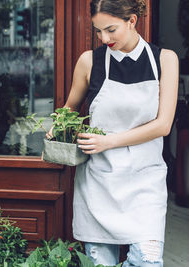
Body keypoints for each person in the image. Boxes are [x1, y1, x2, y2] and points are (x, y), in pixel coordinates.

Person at [46, 0, 179, 266]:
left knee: (147, 261)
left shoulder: (164, 59)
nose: (104, 38)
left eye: (111, 30)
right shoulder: (89, 62)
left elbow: (163, 125)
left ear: (132, 20)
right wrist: (58, 127)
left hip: (145, 181)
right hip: (99, 183)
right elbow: (70, 108)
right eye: (98, 31)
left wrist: (109, 141)